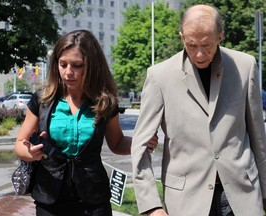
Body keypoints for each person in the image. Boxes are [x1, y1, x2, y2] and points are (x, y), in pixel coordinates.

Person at [131, 4, 266, 216]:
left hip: (242, 197)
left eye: (207, 45)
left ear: (220, 37)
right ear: (182, 37)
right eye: (192, 45)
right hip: (186, 201)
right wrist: (151, 206)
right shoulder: (159, 76)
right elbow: (139, 147)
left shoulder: (245, 66)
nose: (200, 54)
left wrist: (265, 192)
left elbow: (259, 138)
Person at [14, 30, 157, 216]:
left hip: (93, 199)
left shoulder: (105, 101)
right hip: (50, 197)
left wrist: (140, 142)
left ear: (91, 65)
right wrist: (30, 153)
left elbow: (117, 143)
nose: (68, 72)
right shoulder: (43, 99)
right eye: (62, 64)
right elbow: (19, 145)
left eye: (77, 65)